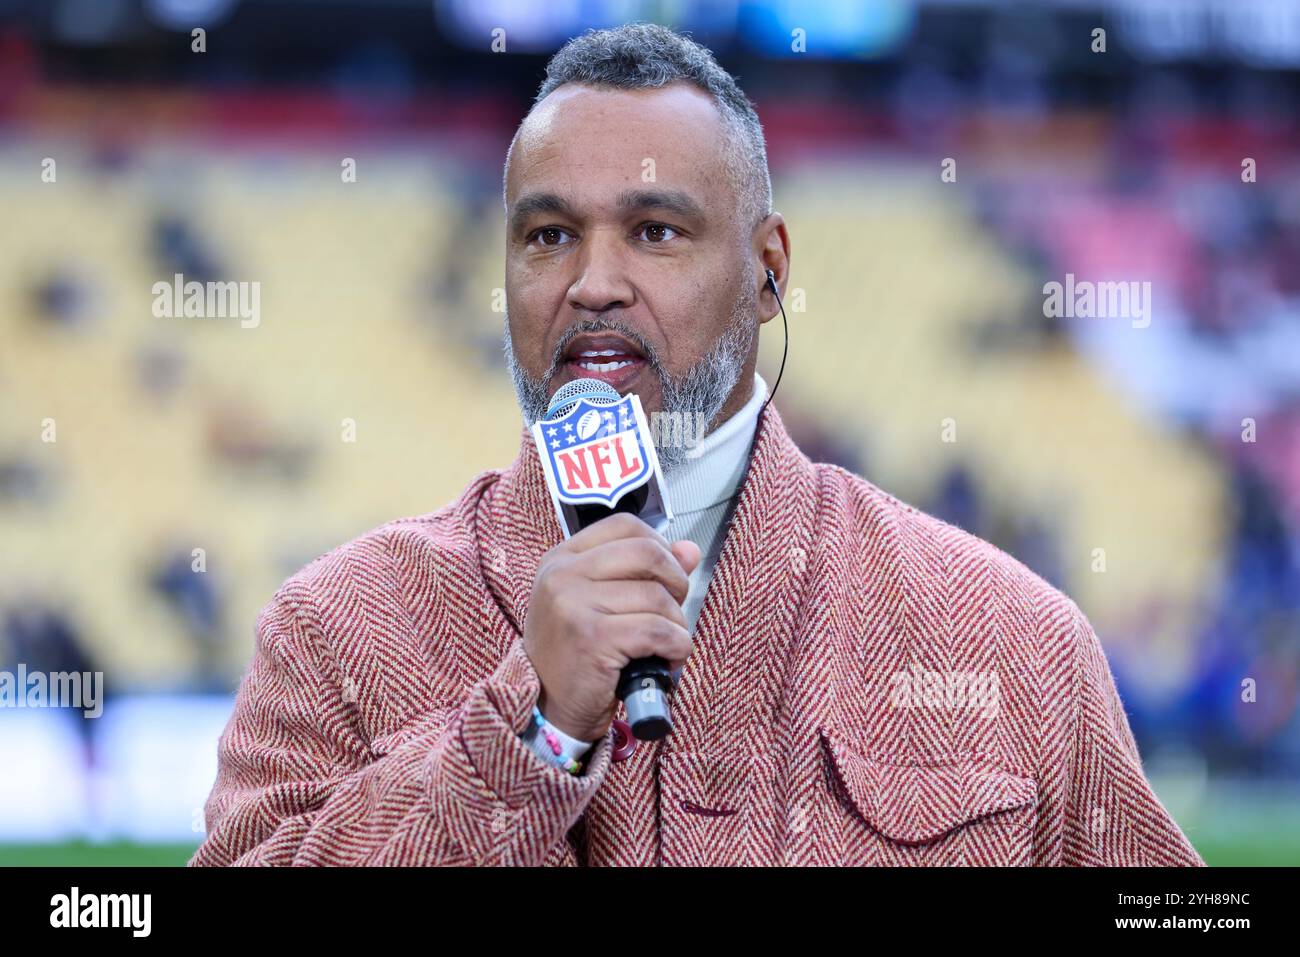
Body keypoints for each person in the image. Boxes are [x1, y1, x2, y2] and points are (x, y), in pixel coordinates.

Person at [191, 23, 1203, 867]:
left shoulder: (1008, 639)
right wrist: (523, 730)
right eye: (547, 235)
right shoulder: (337, 631)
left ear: (767, 274)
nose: (591, 282)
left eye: (654, 232)